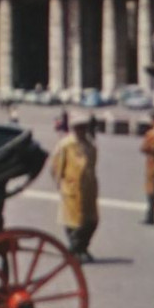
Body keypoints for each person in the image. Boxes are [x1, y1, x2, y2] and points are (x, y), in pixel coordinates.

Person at [50, 111, 100, 260]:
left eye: (84, 127)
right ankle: (76, 250)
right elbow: (56, 166)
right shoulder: (66, 144)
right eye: (79, 127)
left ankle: (82, 247)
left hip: (89, 188)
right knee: (73, 222)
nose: (82, 130)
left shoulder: (90, 144)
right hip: (72, 187)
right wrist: (60, 183)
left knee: (92, 221)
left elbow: (92, 165)